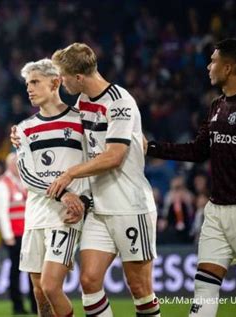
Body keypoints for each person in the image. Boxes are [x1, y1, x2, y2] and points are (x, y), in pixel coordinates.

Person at [145, 38, 236, 317]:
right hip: (215, 212)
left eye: (213, 61)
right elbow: (198, 150)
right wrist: (151, 147)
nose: (208, 67)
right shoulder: (216, 106)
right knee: (204, 289)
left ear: (228, 67)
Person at [46, 43, 160, 317]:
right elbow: (63, 127)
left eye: (62, 76)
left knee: (139, 286)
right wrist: (22, 133)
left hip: (130, 206)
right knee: (89, 280)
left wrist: (71, 173)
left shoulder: (120, 102)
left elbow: (114, 156)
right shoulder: (83, 101)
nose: (60, 82)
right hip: (99, 208)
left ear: (78, 78)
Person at [16, 58, 91, 317]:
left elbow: (94, 166)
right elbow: (27, 176)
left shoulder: (82, 121)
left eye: (35, 82)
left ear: (56, 82)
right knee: (39, 292)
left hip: (65, 216)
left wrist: (83, 200)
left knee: (51, 286)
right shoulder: (24, 129)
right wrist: (62, 192)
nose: (29, 88)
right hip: (36, 215)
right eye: (27, 84)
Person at [0, 152, 37, 315]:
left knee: (33, 270)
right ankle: (17, 305)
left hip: (29, 232)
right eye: (17, 163)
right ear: (10, 165)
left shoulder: (24, 181)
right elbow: (2, 213)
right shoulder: (2, 184)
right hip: (16, 235)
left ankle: (35, 304)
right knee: (16, 271)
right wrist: (7, 235)